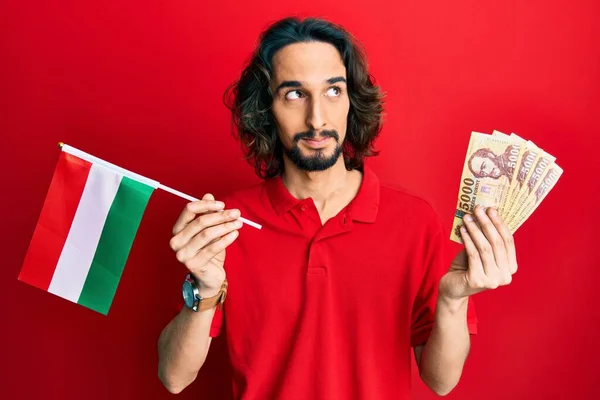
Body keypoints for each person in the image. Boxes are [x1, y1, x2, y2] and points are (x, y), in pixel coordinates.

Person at [157, 16, 518, 399]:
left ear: (351, 101)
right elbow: (174, 377)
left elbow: (442, 381)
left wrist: (453, 298)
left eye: (333, 91)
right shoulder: (227, 222)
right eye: (295, 94)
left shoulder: (414, 221)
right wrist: (205, 289)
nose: (317, 119)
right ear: (266, 108)